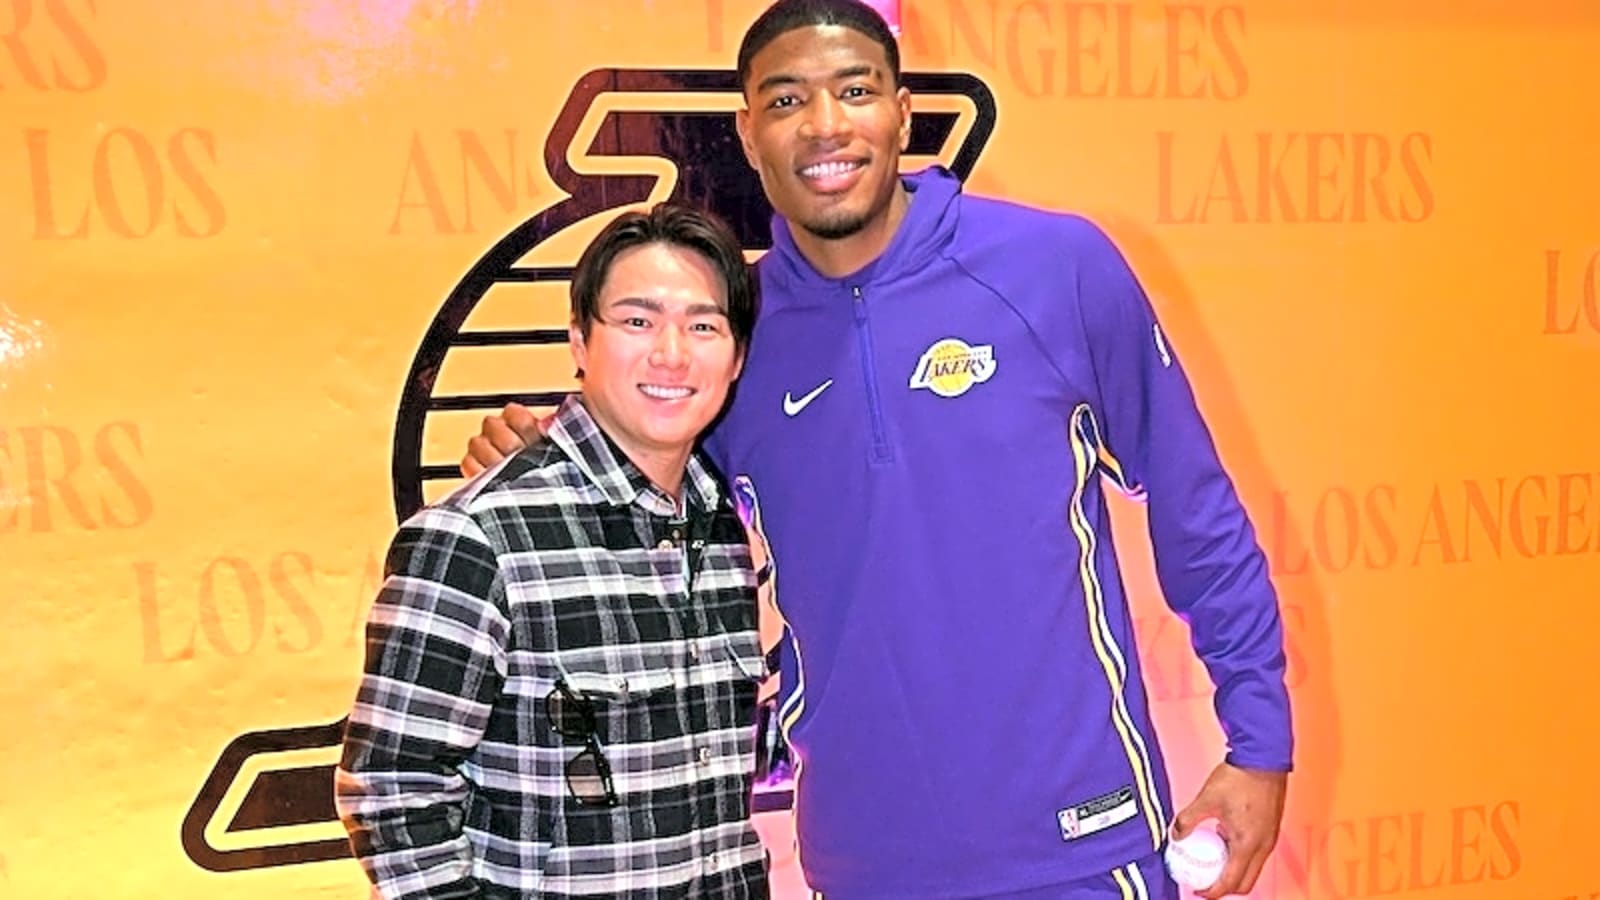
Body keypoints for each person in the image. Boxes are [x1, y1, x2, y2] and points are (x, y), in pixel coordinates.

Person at [463, 2, 1293, 897]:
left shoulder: (1056, 267)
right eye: (785, 101)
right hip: (862, 864)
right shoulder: (731, 338)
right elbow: (628, 488)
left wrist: (1259, 744)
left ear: (902, 111)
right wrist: (537, 453)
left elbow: (1195, 512)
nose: (824, 125)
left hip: (1082, 850)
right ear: (747, 134)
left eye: (854, 91)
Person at [337, 203, 771, 899]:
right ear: (579, 340)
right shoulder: (475, 540)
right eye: (637, 321)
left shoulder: (723, 531)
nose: (671, 352)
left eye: (703, 325)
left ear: (737, 357)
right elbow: (391, 791)